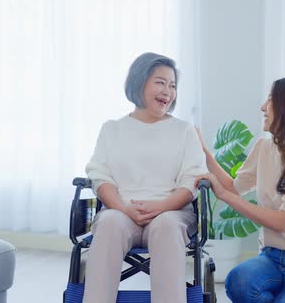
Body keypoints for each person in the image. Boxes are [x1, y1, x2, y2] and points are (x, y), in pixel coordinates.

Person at [195, 77, 285, 303]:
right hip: (271, 258)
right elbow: (233, 187)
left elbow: (281, 221)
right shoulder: (264, 148)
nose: (263, 107)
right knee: (238, 282)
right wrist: (204, 152)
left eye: (270, 100)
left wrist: (224, 196)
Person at [83, 52, 206, 303]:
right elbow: (100, 176)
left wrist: (161, 207)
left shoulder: (184, 130)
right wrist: (124, 208)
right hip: (121, 210)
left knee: (167, 226)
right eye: (160, 82)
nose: (168, 91)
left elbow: (191, 182)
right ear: (139, 83)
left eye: (172, 85)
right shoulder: (112, 128)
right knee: (108, 224)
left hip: (172, 212)